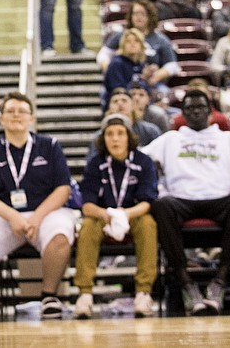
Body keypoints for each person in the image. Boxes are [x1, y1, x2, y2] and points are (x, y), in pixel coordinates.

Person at [0, 91, 72, 321]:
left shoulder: (50, 146)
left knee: (62, 228)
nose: (16, 115)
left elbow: (63, 189)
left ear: (32, 118)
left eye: (22, 111)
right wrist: (14, 217)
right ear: (1, 119)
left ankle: (49, 297)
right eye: (10, 111)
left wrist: (36, 217)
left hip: (43, 214)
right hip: (5, 216)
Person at [141, 89, 230, 315]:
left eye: (200, 107)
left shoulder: (229, 139)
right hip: (182, 201)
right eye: (190, 108)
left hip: (221, 199)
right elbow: (139, 157)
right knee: (161, 205)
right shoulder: (170, 139)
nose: (195, 112)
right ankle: (186, 282)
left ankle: (219, 280)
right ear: (182, 113)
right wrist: (153, 168)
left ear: (210, 111)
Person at [74, 112, 159, 319]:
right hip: (102, 216)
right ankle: (85, 294)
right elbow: (87, 206)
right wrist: (107, 215)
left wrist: (125, 214)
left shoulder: (143, 161)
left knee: (148, 224)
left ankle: (143, 292)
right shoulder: (96, 163)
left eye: (120, 133)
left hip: (133, 214)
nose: (115, 138)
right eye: (109, 134)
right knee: (87, 226)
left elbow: (147, 202)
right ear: (103, 139)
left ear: (129, 137)